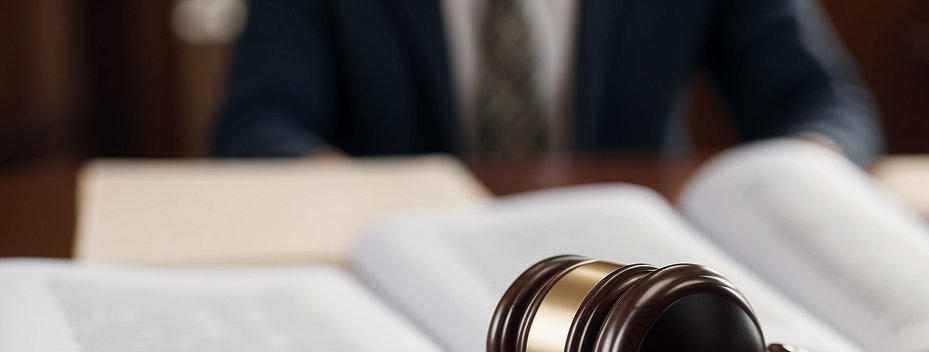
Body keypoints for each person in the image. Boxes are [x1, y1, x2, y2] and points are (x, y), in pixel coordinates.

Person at [211, 0, 883, 165]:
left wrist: (799, 176)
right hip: (397, 288)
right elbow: (256, 126)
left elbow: (828, 104)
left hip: (634, 289)